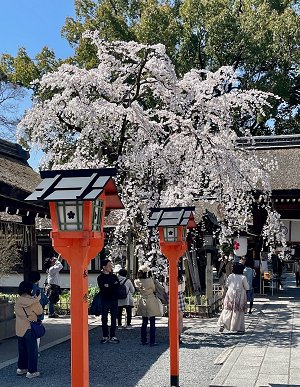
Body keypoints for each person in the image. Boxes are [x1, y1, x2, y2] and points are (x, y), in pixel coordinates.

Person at [14, 280, 43, 379]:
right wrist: (36, 300)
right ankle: (31, 371)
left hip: (19, 329)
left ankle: (21, 368)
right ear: (30, 289)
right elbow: (40, 312)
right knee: (32, 352)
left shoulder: (18, 301)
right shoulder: (33, 301)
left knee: (22, 351)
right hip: (30, 328)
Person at [218, 262, 249, 333]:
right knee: (238, 310)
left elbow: (227, 284)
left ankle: (223, 324)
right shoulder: (243, 277)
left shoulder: (231, 276)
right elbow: (247, 287)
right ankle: (238, 327)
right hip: (240, 295)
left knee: (228, 309)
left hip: (230, 294)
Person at [134, 265, 162, 346]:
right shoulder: (150, 280)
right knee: (152, 322)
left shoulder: (137, 281)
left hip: (143, 300)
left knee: (144, 322)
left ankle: (143, 340)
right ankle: (152, 341)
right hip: (151, 300)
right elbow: (154, 289)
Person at [97, 259, 120, 343]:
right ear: (104, 267)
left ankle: (113, 335)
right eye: (109, 265)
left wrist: (108, 286)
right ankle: (105, 336)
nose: (111, 267)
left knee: (114, 318)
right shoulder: (100, 277)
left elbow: (118, 286)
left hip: (114, 299)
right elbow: (103, 289)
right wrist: (112, 286)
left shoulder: (114, 276)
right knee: (104, 319)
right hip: (105, 299)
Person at [28, 271, 49, 350]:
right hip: (36, 315)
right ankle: (35, 350)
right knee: (36, 333)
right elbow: (45, 301)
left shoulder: (24, 288)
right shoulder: (38, 290)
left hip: (25, 315)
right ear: (37, 280)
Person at [165, 272, 186, 344]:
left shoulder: (167, 278)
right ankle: (179, 336)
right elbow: (183, 289)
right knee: (180, 319)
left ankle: (171, 336)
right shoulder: (181, 278)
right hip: (179, 295)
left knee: (171, 318)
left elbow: (166, 290)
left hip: (171, 296)